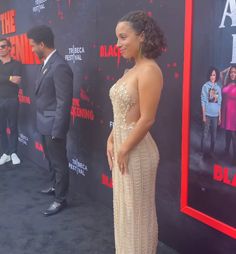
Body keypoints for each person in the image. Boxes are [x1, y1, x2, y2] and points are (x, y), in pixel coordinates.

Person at [107, 11, 166, 254]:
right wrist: (111, 139)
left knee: (138, 215)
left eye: (123, 37)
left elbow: (147, 119)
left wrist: (124, 147)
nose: (118, 44)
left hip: (137, 152)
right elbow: (120, 114)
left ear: (141, 36)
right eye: (117, 38)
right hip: (123, 149)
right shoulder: (129, 71)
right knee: (125, 213)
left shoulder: (150, 70)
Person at [27, 26, 73, 216]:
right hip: (44, 122)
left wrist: (57, 130)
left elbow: (64, 102)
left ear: (42, 44)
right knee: (51, 161)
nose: (31, 49)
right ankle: (55, 187)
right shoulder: (46, 63)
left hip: (54, 125)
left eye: (32, 46)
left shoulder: (59, 66)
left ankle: (60, 199)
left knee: (59, 163)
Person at [0, 38, 22, 166]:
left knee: (13, 126)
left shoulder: (17, 64)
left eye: (3, 46)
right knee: (1, 128)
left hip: (12, 99)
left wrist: (3, 79)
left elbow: (17, 80)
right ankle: (6, 153)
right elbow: (12, 79)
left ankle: (13, 152)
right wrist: (8, 77)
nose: (1, 49)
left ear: (9, 48)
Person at [200, 67, 222, 158]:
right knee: (205, 134)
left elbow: (219, 102)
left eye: (214, 75)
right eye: (211, 75)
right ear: (209, 75)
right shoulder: (205, 86)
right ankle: (202, 152)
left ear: (216, 76)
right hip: (207, 115)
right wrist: (204, 115)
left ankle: (212, 151)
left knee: (214, 135)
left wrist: (220, 116)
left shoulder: (218, 88)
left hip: (215, 116)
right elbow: (203, 101)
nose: (212, 76)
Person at [220, 65, 236, 165]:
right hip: (226, 113)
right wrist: (230, 67)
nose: (232, 74)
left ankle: (235, 157)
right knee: (227, 134)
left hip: (234, 114)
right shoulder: (226, 83)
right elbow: (221, 73)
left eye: (234, 72)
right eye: (231, 72)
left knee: (234, 136)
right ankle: (226, 151)